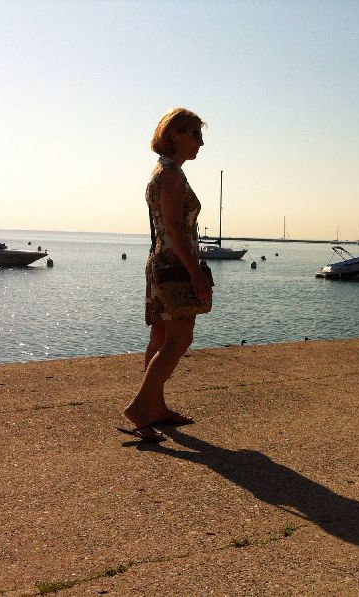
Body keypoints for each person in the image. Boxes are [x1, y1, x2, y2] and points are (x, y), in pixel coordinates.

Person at [119, 107, 212, 442]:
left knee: (160, 338)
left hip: (161, 263)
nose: (200, 142)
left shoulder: (163, 171)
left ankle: (156, 407)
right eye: (195, 134)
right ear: (174, 135)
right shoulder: (171, 175)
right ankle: (140, 407)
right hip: (175, 265)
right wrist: (195, 273)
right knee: (179, 339)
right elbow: (173, 229)